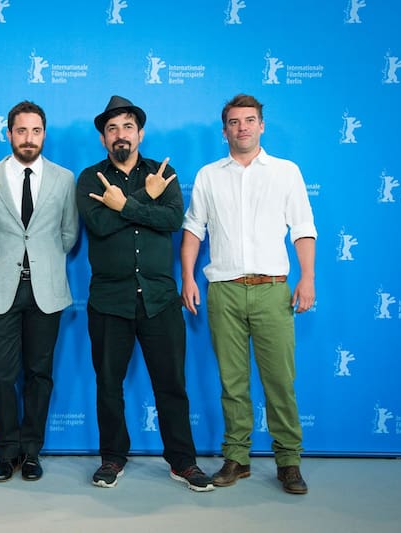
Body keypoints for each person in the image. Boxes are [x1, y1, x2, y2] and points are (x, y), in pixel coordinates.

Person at [181, 94, 316, 495]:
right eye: (235, 122)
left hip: (272, 290)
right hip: (223, 290)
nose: (243, 127)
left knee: (280, 380)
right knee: (232, 381)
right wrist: (187, 277)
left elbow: (303, 228)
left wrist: (307, 277)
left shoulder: (286, 172)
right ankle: (236, 458)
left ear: (262, 126)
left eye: (250, 120)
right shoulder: (208, 175)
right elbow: (194, 229)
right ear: (224, 131)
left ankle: (288, 461)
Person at [76, 95, 213, 492]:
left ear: (140, 133)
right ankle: (112, 458)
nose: (120, 134)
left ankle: (183, 462)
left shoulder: (162, 174)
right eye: (112, 128)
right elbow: (100, 225)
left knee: (171, 384)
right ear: (103, 138)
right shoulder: (90, 178)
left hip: (159, 299)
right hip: (109, 300)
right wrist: (143, 199)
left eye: (128, 127)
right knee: (108, 385)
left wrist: (127, 204)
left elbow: (172, 220)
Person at [0, 101, 79, 482]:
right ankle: (7, 453)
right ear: (9, 134)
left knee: (39, 373)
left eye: (35, 131)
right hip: (0, 288)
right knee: (1, 374)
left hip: (46, 290)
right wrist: (9, 261)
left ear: (44, 134)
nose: (28, 138)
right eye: (21, 131)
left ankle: (31, 452)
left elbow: (68, 233)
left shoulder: (64, 179)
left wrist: (42, 260)